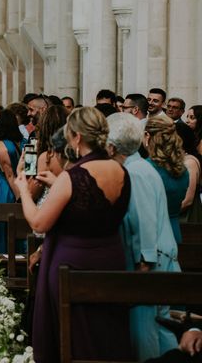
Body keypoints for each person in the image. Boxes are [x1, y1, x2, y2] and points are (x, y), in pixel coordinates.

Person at [14, 106, 132, 363]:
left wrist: (23, 189)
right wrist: (58, 186)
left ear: (77, 137)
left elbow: (38, 222)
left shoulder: (73, 176)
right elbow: (93, 207)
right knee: (103, 331)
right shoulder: (121, 171)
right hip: (111, 259)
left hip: (73, 262)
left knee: (73, 334)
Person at [106, 112, 180, 361]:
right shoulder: (139, 167)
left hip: (150, 265)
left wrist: (143, 267)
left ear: (113, 146)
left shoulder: (135, 172)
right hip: (156, 260)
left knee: (146, 334)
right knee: (161, 330)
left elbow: (144, 222)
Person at [144, 115, 189, 243]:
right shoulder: (182, 170)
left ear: (147, 136)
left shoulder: (145, 168)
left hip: (152, 234)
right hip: (174, 231)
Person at [0, 109, 23, 253]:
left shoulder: (0, 146)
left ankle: (4, 257)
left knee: (4, 224)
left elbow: (10, 175)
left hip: (7, 188)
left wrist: (19, 197)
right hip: (23, 184)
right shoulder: (23, 142)